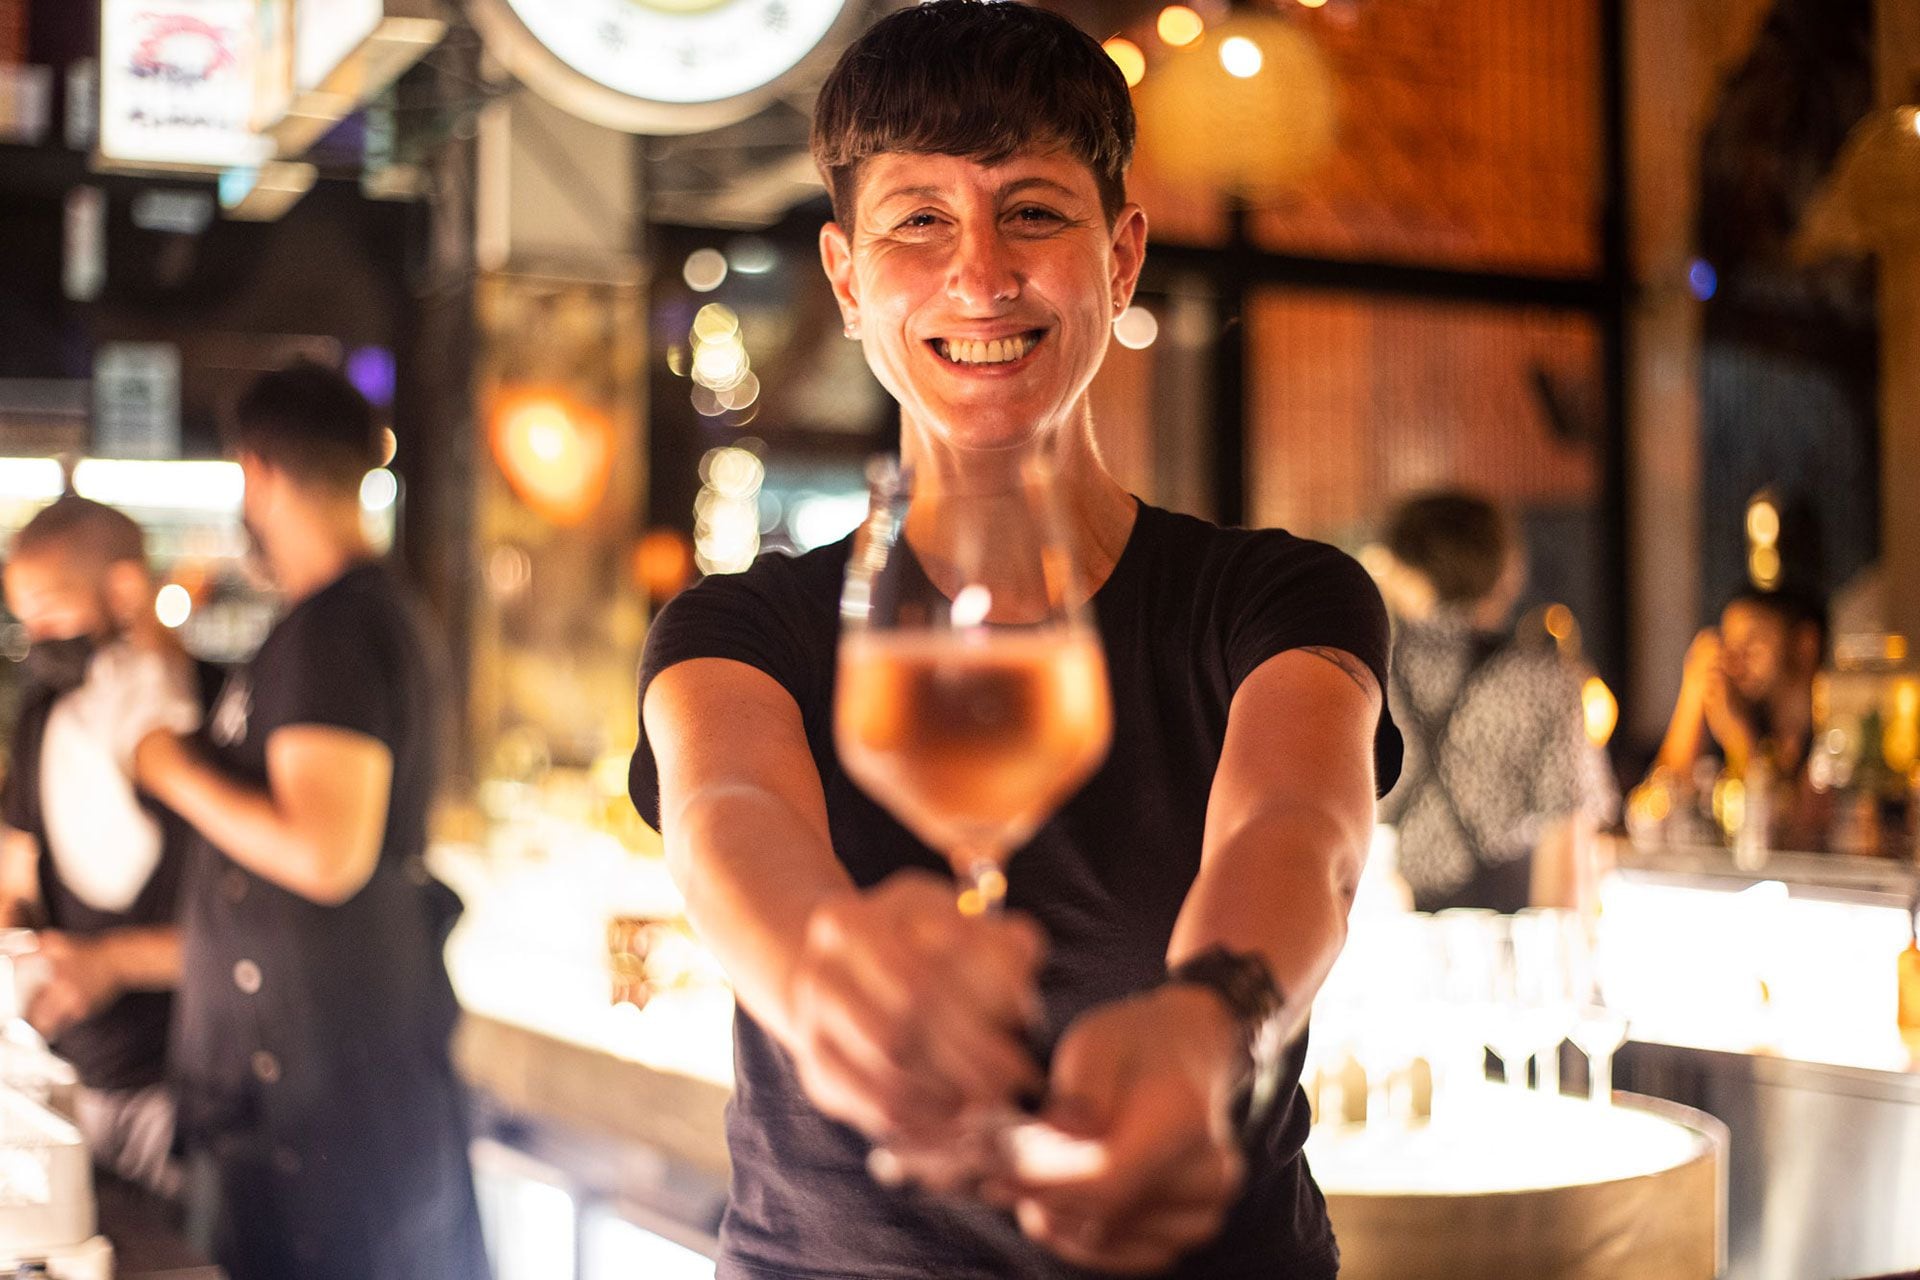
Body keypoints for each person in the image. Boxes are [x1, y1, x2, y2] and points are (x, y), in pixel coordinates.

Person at [630, 4, 1401, 1277]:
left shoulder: (1271, 599)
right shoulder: (741, 628)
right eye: (918, 219)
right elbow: (728, 821)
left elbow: (1300, 836)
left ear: (1121, 257)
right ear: (844, 275)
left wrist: (1212, 1023)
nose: (979, 275)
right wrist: (829, 983)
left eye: (1033, 211)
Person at [125, 362, 487, 1280]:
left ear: (259, 473)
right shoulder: (329, 626)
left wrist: (170, 769)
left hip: (325, 1126)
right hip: (307, 1111)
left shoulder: (336, 628)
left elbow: (326, 852)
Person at [0, 495, 206, 1197]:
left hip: (192, 1080)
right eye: (23, 617)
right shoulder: (40, 716)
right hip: (73, 1074)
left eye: (51, 610)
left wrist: (114, 961)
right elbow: (14, 871)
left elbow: (257, 924)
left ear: (123, 589)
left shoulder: (210, 710)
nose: (37, 635)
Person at [1374, 491, 1618, 914]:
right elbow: (1567, 847)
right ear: (1508, 571)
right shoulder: (1547, 681)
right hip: (1503, 931)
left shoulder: (1365, 672)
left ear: (1401, 567)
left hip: (1380, 925)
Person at [1646, 586, 1826, 848]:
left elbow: (1785, 836)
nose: (1733, 659)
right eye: (1728, 643)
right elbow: (1654, 818)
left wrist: (1738, 739)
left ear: (1805, 645)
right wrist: (1693, 695)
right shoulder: (1729, 729)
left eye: (1753, 641)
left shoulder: (1834, 740)